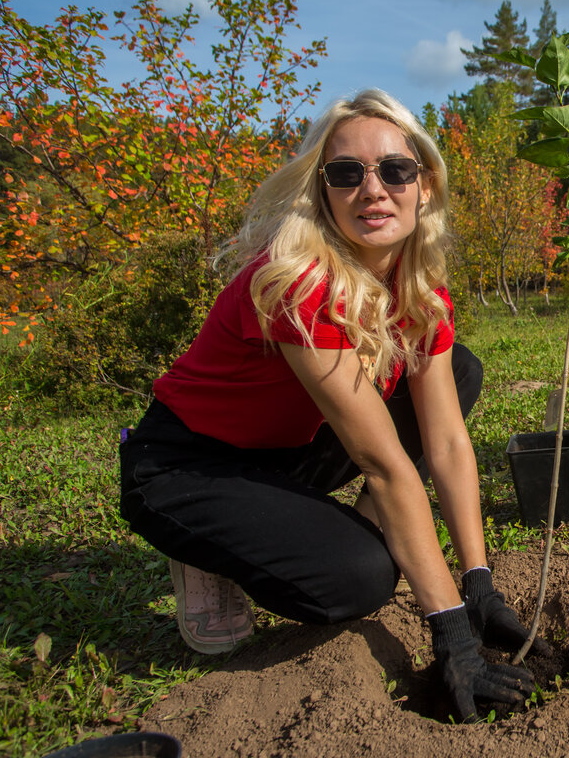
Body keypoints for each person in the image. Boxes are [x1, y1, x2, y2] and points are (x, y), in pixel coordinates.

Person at [119, 89, 540, 723]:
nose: (373, 188)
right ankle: (204, 549)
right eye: (347, 173)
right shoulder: (301, 284)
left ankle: (321, 528)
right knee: (360, 578)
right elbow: (386, 465)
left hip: (288, 451)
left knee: (461, 372)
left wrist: (478, 584)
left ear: (424, 185)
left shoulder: (419, 289)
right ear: (323, 192)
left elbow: (447, 443)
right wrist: (451, 631)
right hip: (189, 466)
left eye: (395, 169)